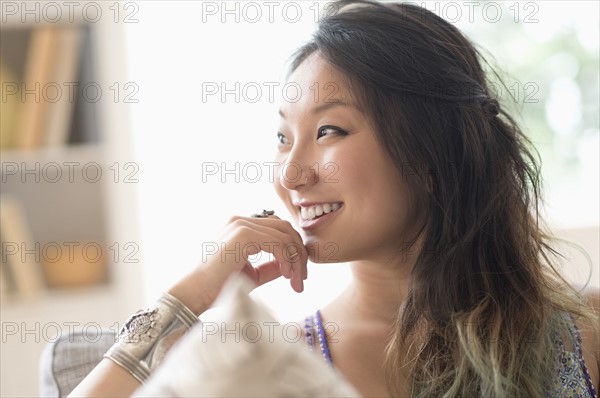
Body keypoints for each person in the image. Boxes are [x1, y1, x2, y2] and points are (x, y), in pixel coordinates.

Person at [71, 1, 599, 397]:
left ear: (433, 150)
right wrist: (194, 292)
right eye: (283, 138)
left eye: (328, 131)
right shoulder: (277, 363)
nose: (292, 174)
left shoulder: (583, 332)